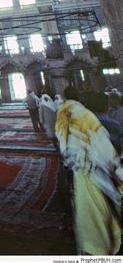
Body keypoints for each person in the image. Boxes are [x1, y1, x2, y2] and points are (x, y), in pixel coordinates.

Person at [55, 85, 122, 255]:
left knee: (92, 222)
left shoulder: (71, 120)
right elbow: (110, 156)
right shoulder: (101, 124)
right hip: (105, 177)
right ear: (107, 106)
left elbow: (64, 147)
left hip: (81, 176)